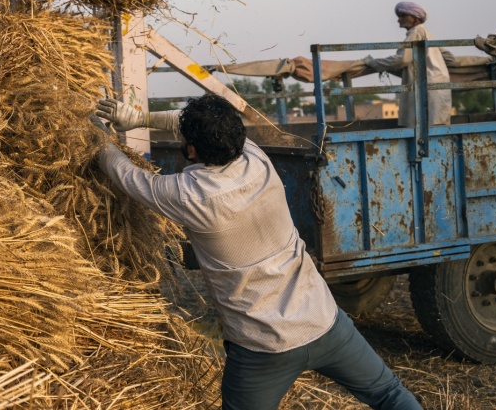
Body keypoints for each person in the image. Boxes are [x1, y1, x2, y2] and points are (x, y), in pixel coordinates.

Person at [93, 94, 421, 410]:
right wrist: (142, 119)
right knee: (389, 393)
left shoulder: (188, 195)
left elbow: (126, 174)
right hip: (324, 323)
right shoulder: (255, 158)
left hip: (262, 348)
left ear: (191, 150)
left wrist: (97, 135)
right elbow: (201, 128)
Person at [363, 1, 451, 126]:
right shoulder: (424, 32)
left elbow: (402, 59)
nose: (399, 19)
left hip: (429, 87)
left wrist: (373, 63)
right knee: (434, 127)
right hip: (433, 86)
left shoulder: (417, 32)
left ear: (415, 17)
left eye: (403, 15)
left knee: (428, 129)